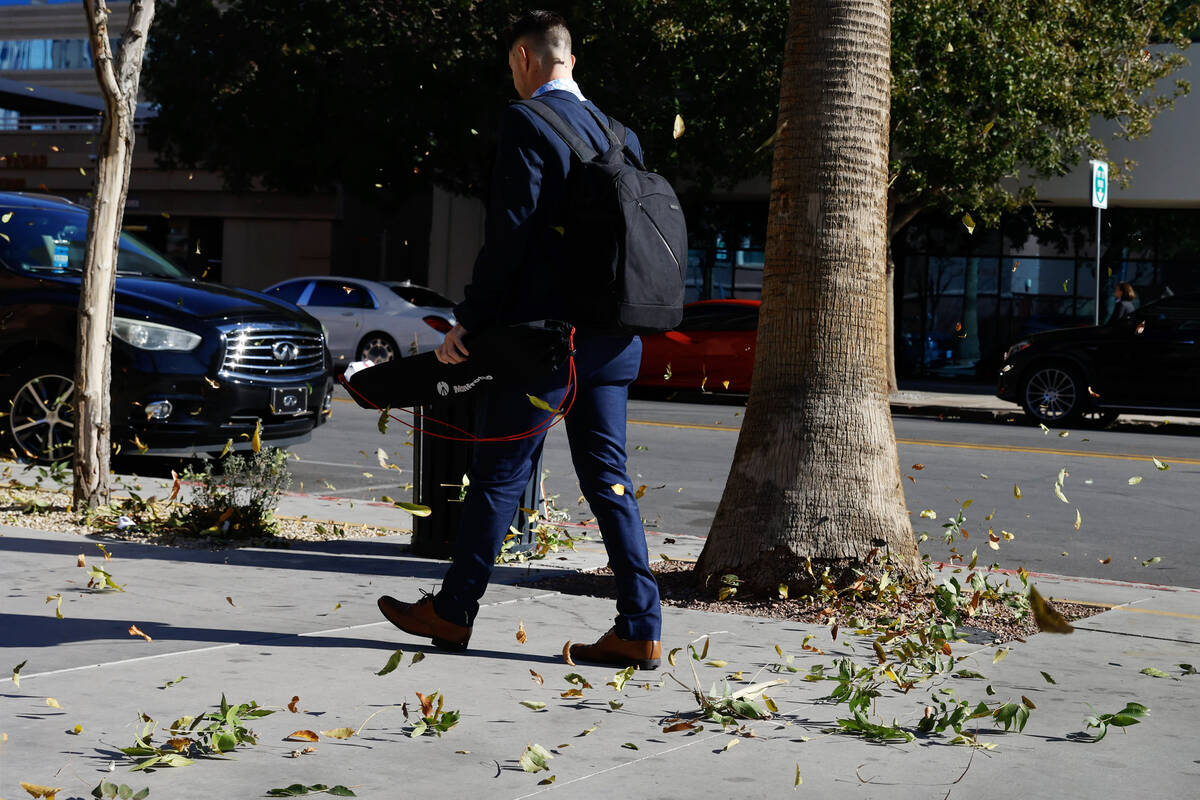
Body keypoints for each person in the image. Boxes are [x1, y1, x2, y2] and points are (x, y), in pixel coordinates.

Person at [375, 10, 662, 669]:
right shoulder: (624, 136)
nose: (514, 76)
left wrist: (469, 321)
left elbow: (512, 235)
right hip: (616, 338)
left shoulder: (525, 121)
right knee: (609, 480)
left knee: (500, 475)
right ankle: (640, 625)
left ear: (527, 60)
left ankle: (452, 612)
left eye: (512, 66)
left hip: (545, 342)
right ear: (572, 62)